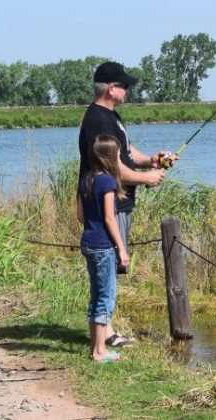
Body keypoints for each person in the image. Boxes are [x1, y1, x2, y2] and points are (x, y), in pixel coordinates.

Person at [78, 61, 176, 347]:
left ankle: (104, 330)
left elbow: (126, 151)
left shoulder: (111, 116)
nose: (128, 90)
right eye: (125, 85)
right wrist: (146, 178)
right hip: (110, 203)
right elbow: (113, 165)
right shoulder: (97, 119)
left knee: (109, 268)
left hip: (119, 199)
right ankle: (104, 335)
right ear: (112, 88)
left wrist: (153, 160)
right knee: (108, 264)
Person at [77, 134, 129, 363]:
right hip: (103, 245)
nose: (119, 157)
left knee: (95, 296)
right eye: (118, 154)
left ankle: (95, 347)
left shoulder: (86, 180)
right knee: (105, 298)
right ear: (109, 157)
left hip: (88, 241)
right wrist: (122, 249)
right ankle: (99, 352)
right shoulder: (107, 182)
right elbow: (110, 218)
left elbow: (80, 215)